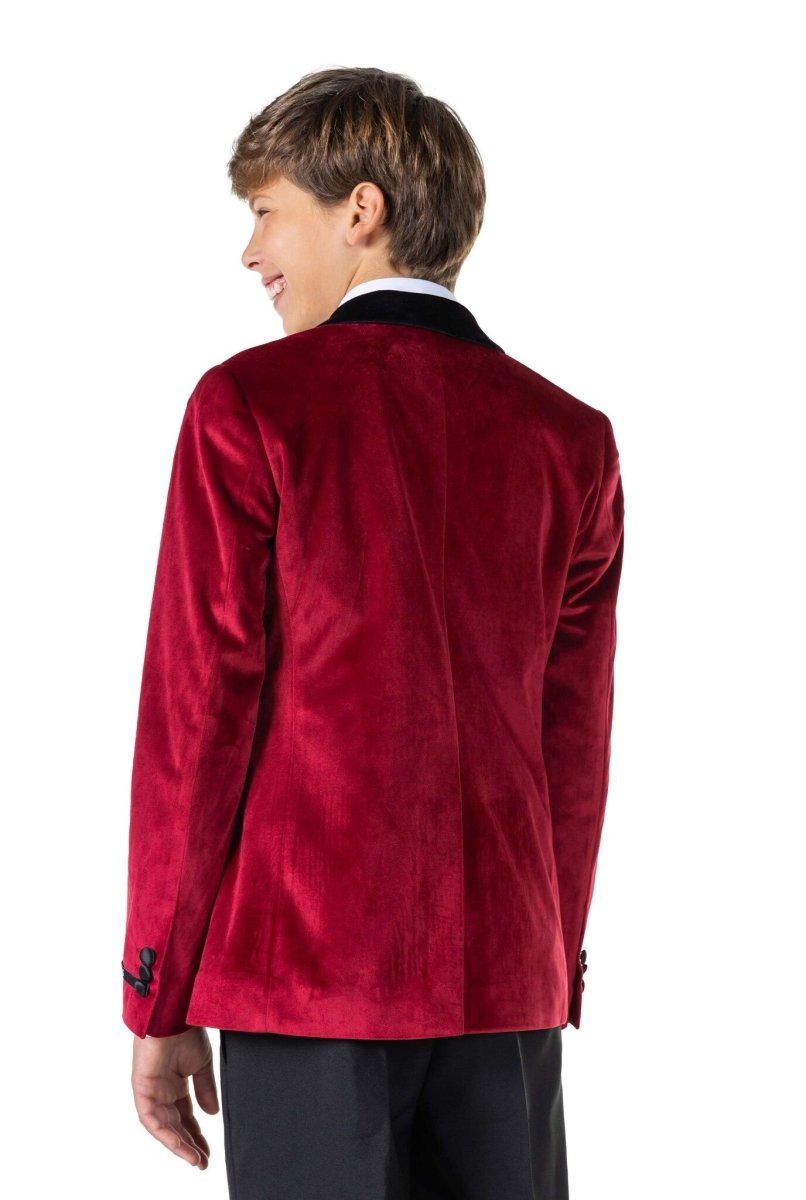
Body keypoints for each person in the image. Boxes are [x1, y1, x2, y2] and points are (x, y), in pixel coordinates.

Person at [121, 65, 625, 1199]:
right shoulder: (571, 440)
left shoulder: (253, 405)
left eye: (266, 211)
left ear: (361, 210)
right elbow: (572, 745)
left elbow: (198, 719)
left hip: (306, 986)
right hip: (508, 989)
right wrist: (546, 965)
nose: (250, 252)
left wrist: (158, 990)